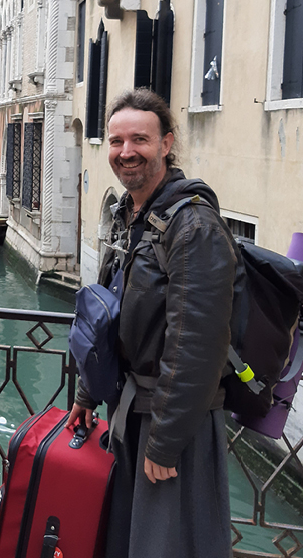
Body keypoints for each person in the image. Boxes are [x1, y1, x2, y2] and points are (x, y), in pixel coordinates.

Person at [68, 89, 238, 558]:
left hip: (172, 423)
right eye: (118, 141)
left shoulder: (194, 228)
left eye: (139, 139)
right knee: (129, 542)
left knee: (167, 546)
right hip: (129, 410)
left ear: (166, 143)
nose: (127, 152)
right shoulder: (131, 213)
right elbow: (110, 310)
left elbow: (198, 346)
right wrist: (88, 390)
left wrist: (164, 443)